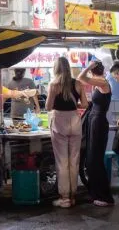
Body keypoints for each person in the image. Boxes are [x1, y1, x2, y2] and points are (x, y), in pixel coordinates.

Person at [46, 57, 88, 208]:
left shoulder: (54, 84)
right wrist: (73, 103)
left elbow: (48, 106)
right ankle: (73, 195)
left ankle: (64, 198)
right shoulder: (77, 83)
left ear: (56, 68)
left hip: (59, 123)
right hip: (75, 121)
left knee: (62, 161)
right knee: (74, 160)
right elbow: (84, 104)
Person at [77, 61, 114, 207]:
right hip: (94, 120)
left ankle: (106, 197)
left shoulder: (102, 82)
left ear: (93, 71)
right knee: (90, 160)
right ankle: (95, 193)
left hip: (98, 122)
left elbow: (81, 77)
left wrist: (88, 67)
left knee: (95, 160)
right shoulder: (98, 84)